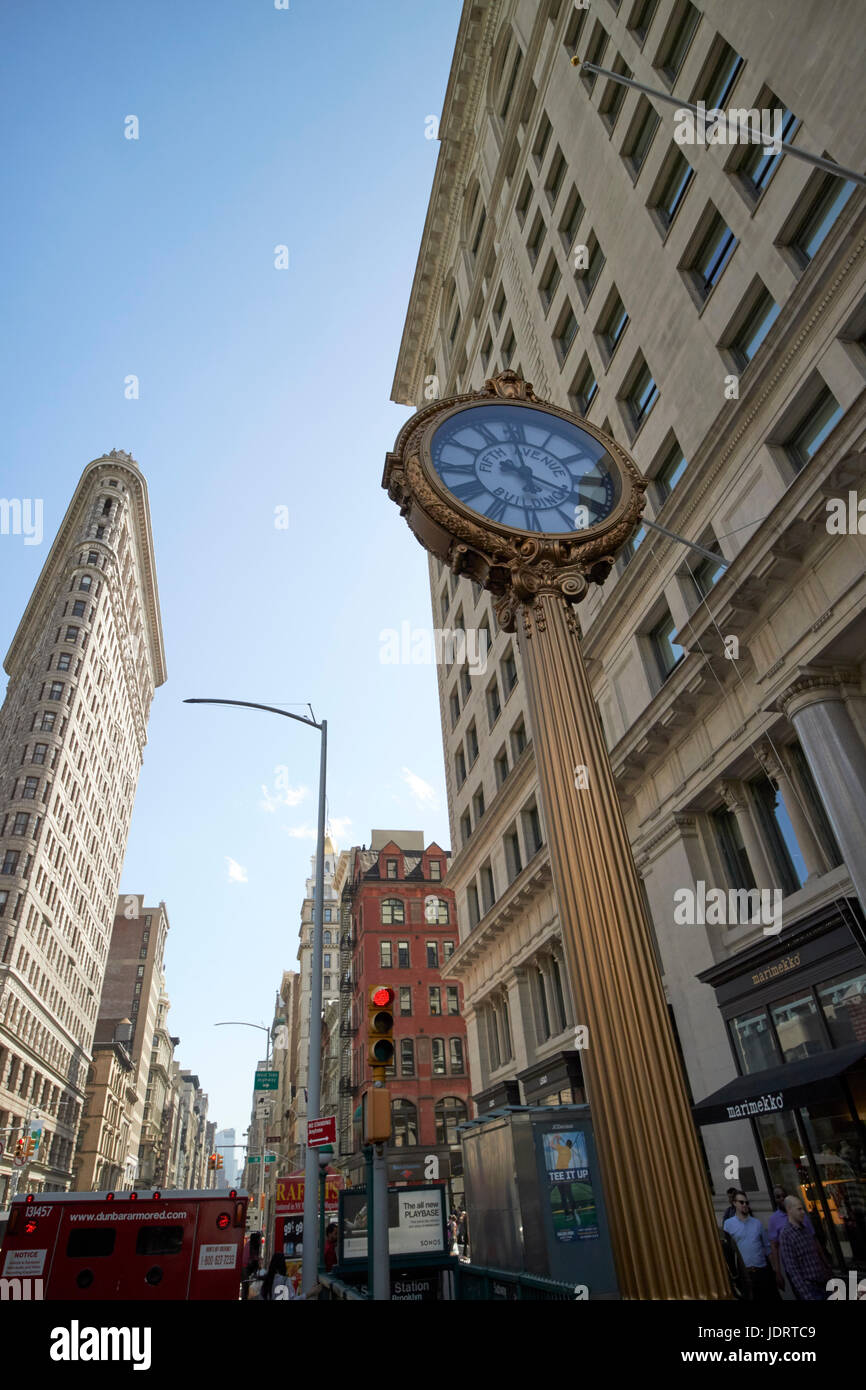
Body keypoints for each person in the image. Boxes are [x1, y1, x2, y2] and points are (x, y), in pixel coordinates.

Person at [723, 1191, 779, 1301]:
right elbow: (729, 1252)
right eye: (741, 1202)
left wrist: (776, 1271)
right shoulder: (728, 1224)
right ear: (734, 1203)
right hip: (745, 1274)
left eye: (747, 1203)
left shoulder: (757, 1223)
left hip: (762, 1272)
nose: (745, 1205)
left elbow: (768, 1248)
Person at [778, 1197, 832, 1301]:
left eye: (803, 1209)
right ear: (789, 1209)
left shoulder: (805, 1229)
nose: (803, 1212)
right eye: (799, 1209)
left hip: (823, 1283)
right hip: (811, 1289)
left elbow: (817, 1257)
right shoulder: (786, 1236)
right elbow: (793, 1271)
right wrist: (807, 1296)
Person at [768, 1185, 815, 1291]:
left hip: (812, 1263)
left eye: (783, 1196)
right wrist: (778, 1272)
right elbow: (774, 1246)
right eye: (778, 1197)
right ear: (775, 1199)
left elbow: (813, 1239)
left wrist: (825, 1262)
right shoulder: (774, 1220)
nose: (781, 1199)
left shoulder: (800, 1213)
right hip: (794, 1269)